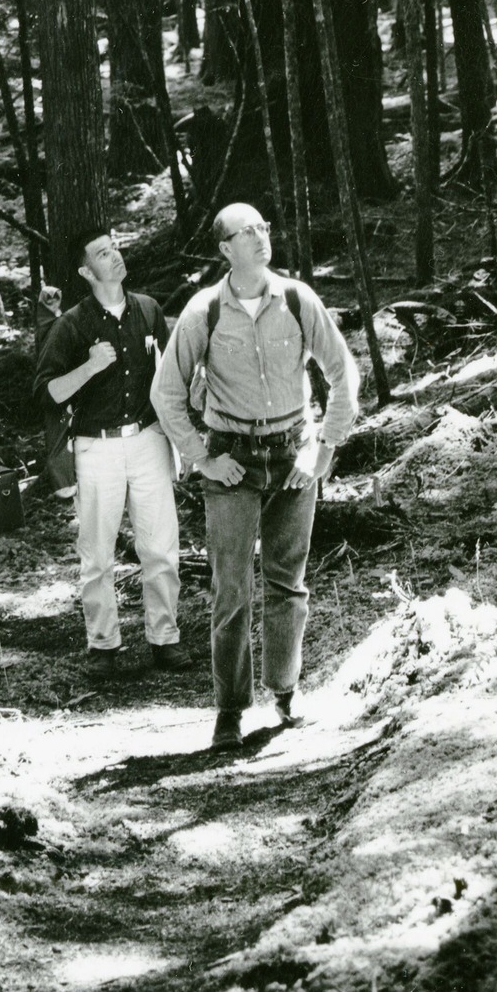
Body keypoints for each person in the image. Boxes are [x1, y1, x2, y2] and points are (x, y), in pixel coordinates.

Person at [151, 204, 361, 752]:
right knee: (232, 589)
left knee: (287, 580)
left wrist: (324, 446)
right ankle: (229, 712)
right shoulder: (203, 312)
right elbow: (166, 394)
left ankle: (286, 693)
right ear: (225, 249)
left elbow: (342, 372)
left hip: (293, 451)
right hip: (232, 461)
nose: (262, 236)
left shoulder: (297, 299)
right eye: (247, 231)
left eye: (265, 226)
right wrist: (203, 458)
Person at [36, 230, 187, 674]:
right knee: (97, 554)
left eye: (116, 247)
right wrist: (90, 366)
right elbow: (47, 394)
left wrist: (178, 439)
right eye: (103, 253)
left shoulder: (149, 309)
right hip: (95, 447)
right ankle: (103, 645)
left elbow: (169, 377)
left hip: (148, 440)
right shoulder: (72, 324)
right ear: (86, 271)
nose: (116, 256)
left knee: (160, 547)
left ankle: (166, 638)